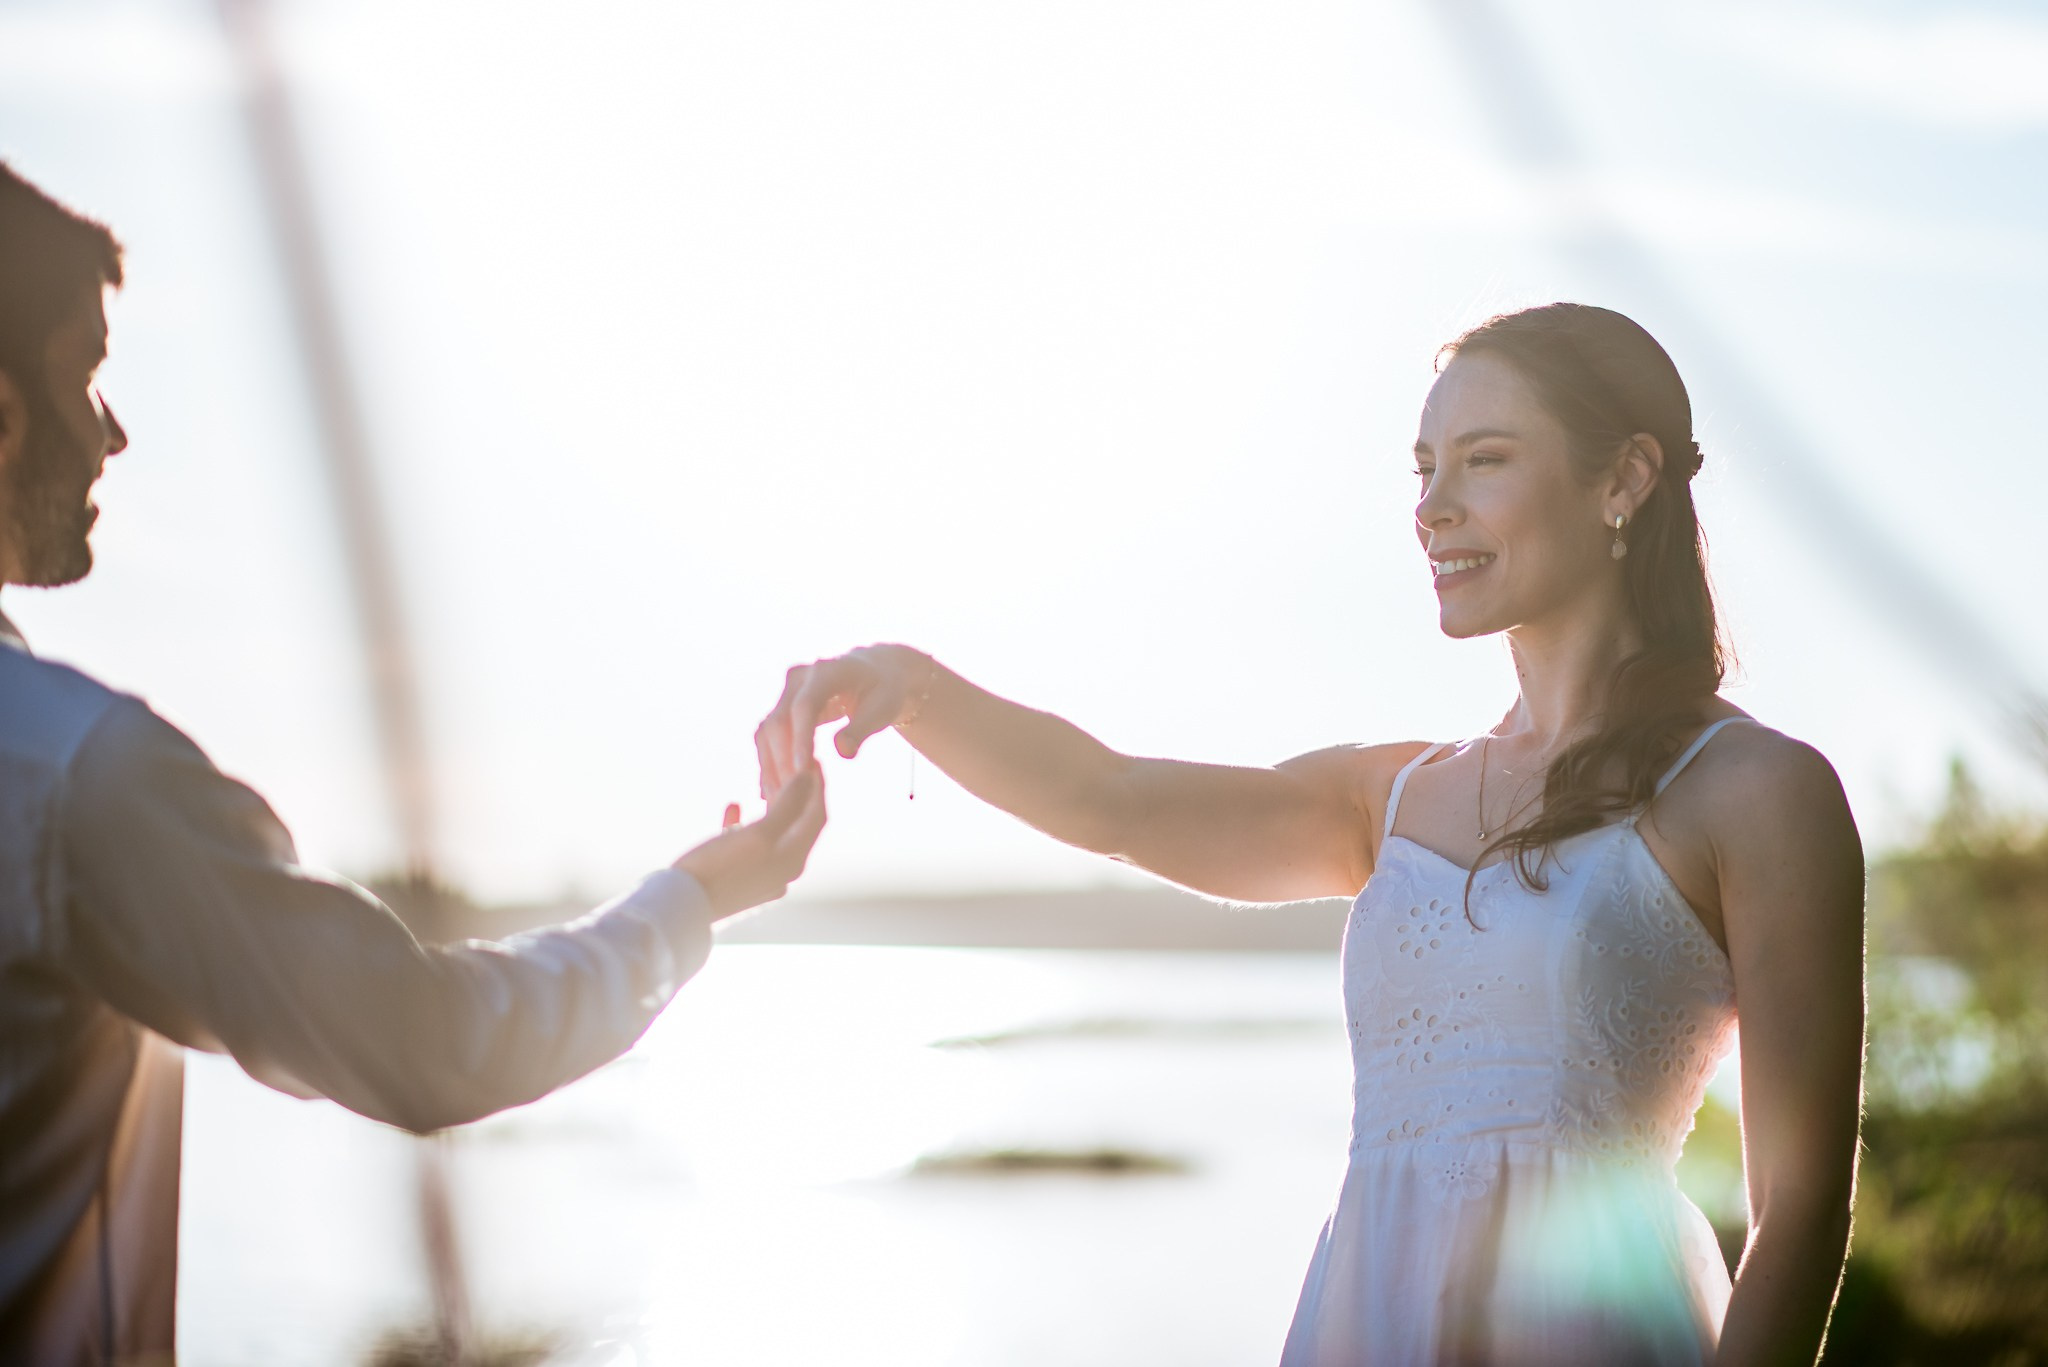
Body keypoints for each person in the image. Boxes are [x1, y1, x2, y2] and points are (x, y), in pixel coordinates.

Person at [756, 303, 1865, 1365]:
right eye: (1423, 467)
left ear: (1622, 478)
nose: (1431, 505)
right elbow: (1112, 801)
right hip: (1363, 1320)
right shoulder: (1386, 801)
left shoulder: (1754, 791)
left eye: (1482, 458)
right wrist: (909, 689)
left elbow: (1800, 1205)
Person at [0, 162, 827, 1363]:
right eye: (86, 376)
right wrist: (691, 901)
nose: (114, 431)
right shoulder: (77, 780)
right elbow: (422, 1041)